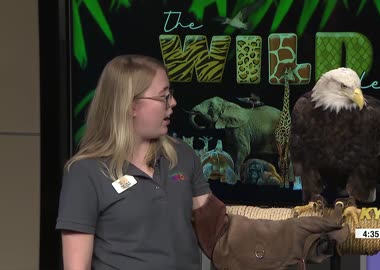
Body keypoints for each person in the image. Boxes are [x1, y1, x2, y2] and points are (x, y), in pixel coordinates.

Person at [56, 54, 349, 270]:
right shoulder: (85, 173)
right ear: (131, 106)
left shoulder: (181, 156)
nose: (172, 103)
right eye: (163, 96)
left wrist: (300, 236)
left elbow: (220, 235)